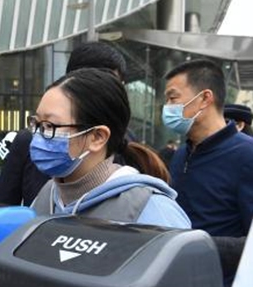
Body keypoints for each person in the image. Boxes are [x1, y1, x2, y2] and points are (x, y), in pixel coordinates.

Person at [29, 68, 189, 228]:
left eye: (49, 125)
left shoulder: (151, 210)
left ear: (98, 137)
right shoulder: (46, 196)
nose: (38, 135)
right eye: (36, 124)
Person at [0, 41, 128, 207]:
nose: (105, 91)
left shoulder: (137, 198)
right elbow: (1, 207)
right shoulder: (42, 200)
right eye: (39, 123)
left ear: (99, 137)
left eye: (114, 85)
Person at [165, 59, 253, 238]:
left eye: (173, 98)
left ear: (205, 99)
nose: (167, 107)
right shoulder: (182, 154)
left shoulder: (247, 154)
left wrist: (204, 249)